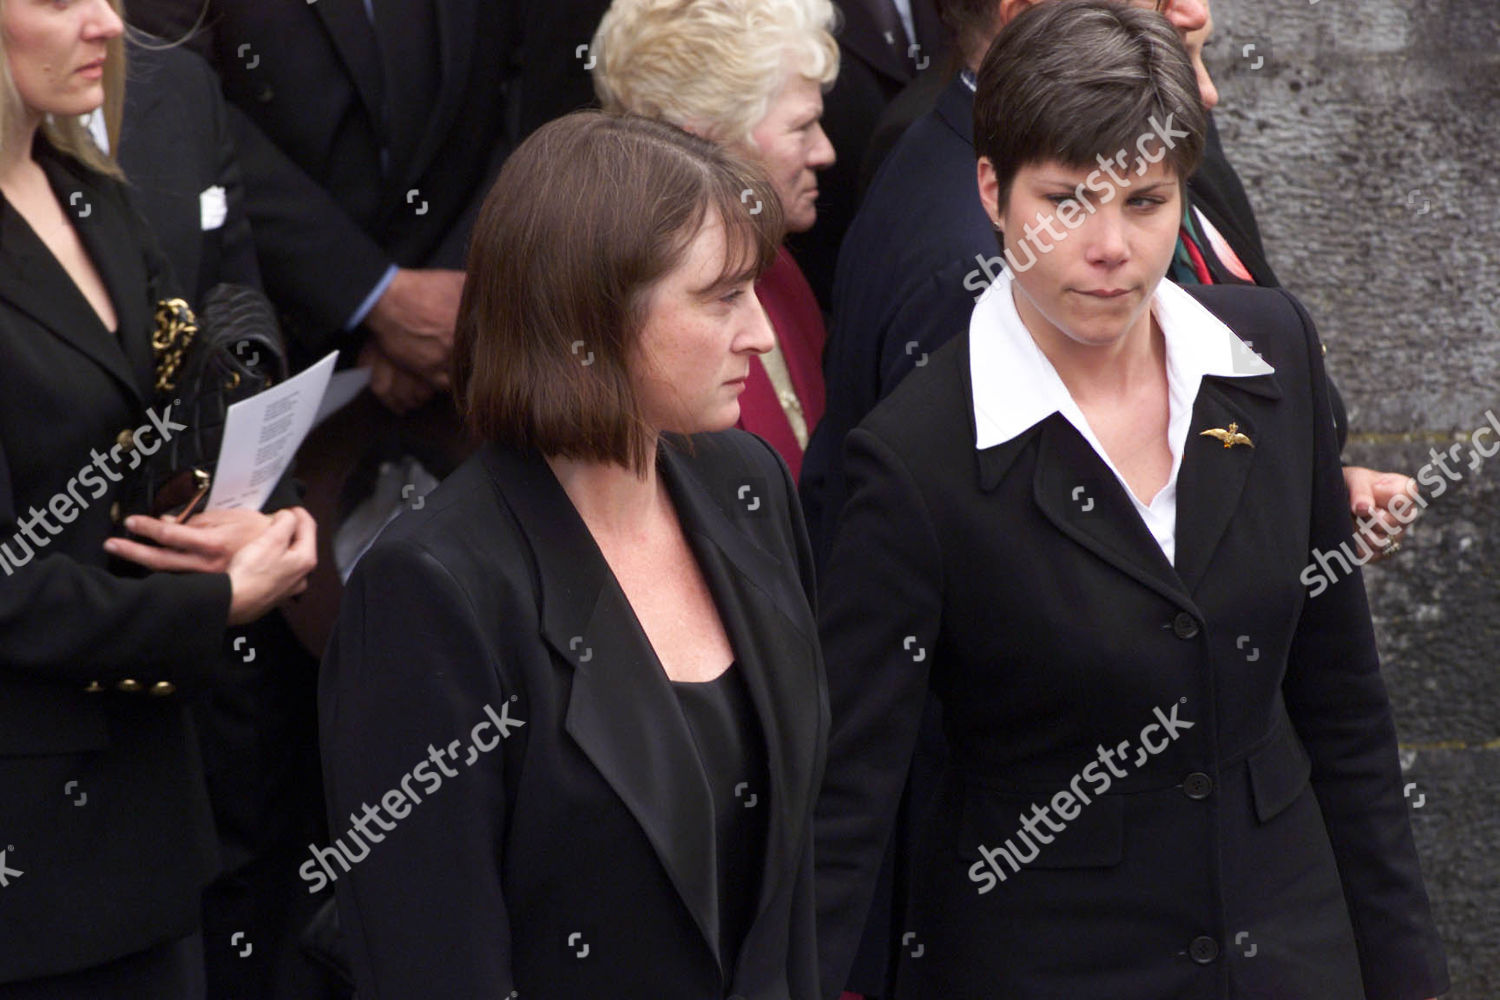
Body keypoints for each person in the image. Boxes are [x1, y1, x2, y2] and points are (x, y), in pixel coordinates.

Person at [812, 4, 1449, 998]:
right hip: (1045, 962)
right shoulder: (914, 459)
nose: (1109, 246)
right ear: (993, 191)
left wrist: (1406, 976)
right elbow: (847, 803)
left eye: (1146, 201)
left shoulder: (1272, 351)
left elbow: (1345, 712)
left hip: (1289, 951)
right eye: (1067, 201)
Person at [319, 111, 828, 999]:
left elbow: (789, 890)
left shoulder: (747, 485)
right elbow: (434, 958)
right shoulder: (432, 590)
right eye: (719, 298)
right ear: (589, 316)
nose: (758, 332)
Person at [803, 0, 1416, 576]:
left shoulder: (1157, 138)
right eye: (1067, 200)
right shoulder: (972, 268)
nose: (1191, 11)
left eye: (1148, 200)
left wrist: (1306, 491)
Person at [0, 0, 316, 994]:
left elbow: (161, 432)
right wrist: (213, 599)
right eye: (58, 1)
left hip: (151, 825)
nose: (107, 22)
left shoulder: (88, 195)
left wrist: (245, 522)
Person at [591, 0, 837, 480]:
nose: (825, 151)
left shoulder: (778, 266)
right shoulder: (647, 336)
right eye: (801, 127)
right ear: (702, 142)